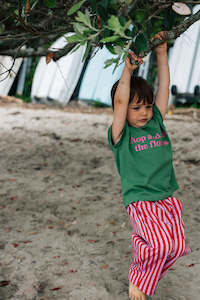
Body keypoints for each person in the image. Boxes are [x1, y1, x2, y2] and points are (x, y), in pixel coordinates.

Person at [107, 31, 191, 300]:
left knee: (176, 247)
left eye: (146, 106)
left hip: (166, 197)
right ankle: (138, 278)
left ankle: (144, 278)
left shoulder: (155, 120)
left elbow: (164, 87)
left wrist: (162, 53)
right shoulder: (121, 135)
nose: (143, 113)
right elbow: (121, 101)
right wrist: (127, 71)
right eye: (136, 108)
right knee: (156, 245)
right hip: (141, 200)